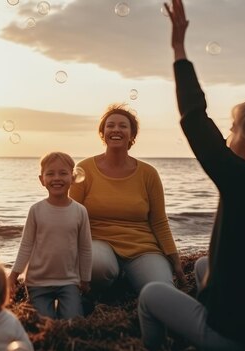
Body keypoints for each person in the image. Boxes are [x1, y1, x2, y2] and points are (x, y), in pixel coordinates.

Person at [137, 1, 245, 349]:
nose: (226, 135)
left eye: (232, 129)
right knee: (204, 265)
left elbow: (195, 117)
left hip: (224, 332)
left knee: (151, 293)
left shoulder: (242, 183)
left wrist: (178, 48)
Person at [69, 105, 185, 294]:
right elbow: (71, 218)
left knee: (160, 290)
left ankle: (129, 277)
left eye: (123, 126)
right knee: (99, 268)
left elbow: (159, 221)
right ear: (102, 133)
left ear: (132, 135)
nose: (116, 129)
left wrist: (175, 261)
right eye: (110, 125)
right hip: (97, 242)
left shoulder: (149, 173)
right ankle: (113, 283)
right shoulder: (84, 169)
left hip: (142, 247)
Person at [8, 152, 92, 319]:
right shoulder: (36, 210)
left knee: (72, 321)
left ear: (73, 177)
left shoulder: (80, 211)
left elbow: (85, 248)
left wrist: (85, 279)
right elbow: (26, 245)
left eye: (63, 173)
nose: (57, 178)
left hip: (69, 282)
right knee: (45, 323)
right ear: (42, 180)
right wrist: (14, 275)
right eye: (50, 173)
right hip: (38, 283)